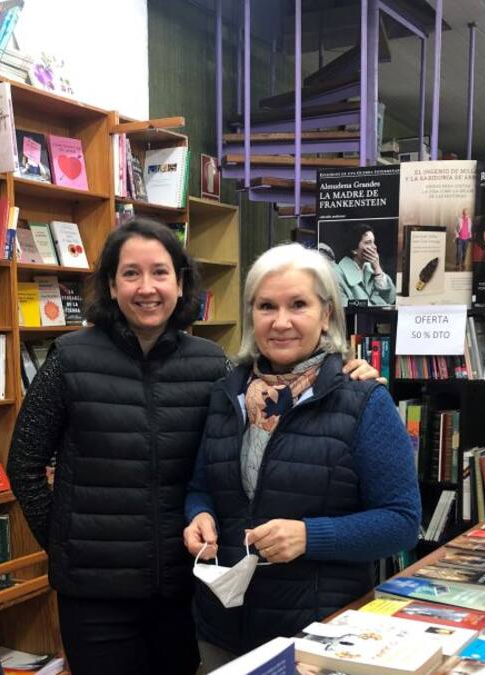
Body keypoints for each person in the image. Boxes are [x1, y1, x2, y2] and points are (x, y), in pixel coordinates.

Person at [7, 220, 380, 675]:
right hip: (95, 595)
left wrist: (344, 369)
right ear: (111, 284)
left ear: (181, 283)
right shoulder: (68, 358)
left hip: (189, 589)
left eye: (161, 273)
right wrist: (65, 543)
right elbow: (24, 464)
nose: (148, 288)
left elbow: (272, 398)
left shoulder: (212, 365)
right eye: (131, 274)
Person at [183, 243, 420, 669]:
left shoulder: (363, 400)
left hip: (318, 637)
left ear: (326, 313)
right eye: (266, 306)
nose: (281, 321)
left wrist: (310, 537)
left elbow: (402, 522)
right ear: (251, 312)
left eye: (298, 305)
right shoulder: (226, 394)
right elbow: (203, 486)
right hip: (221, 630)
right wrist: (199, 515)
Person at [333, 224, 395, 306]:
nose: (374, 247)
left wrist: (378, 269)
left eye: (374, 242)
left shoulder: (371, 270)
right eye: (368, 242)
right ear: (354, 249)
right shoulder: (337, 275)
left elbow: (390, 299)